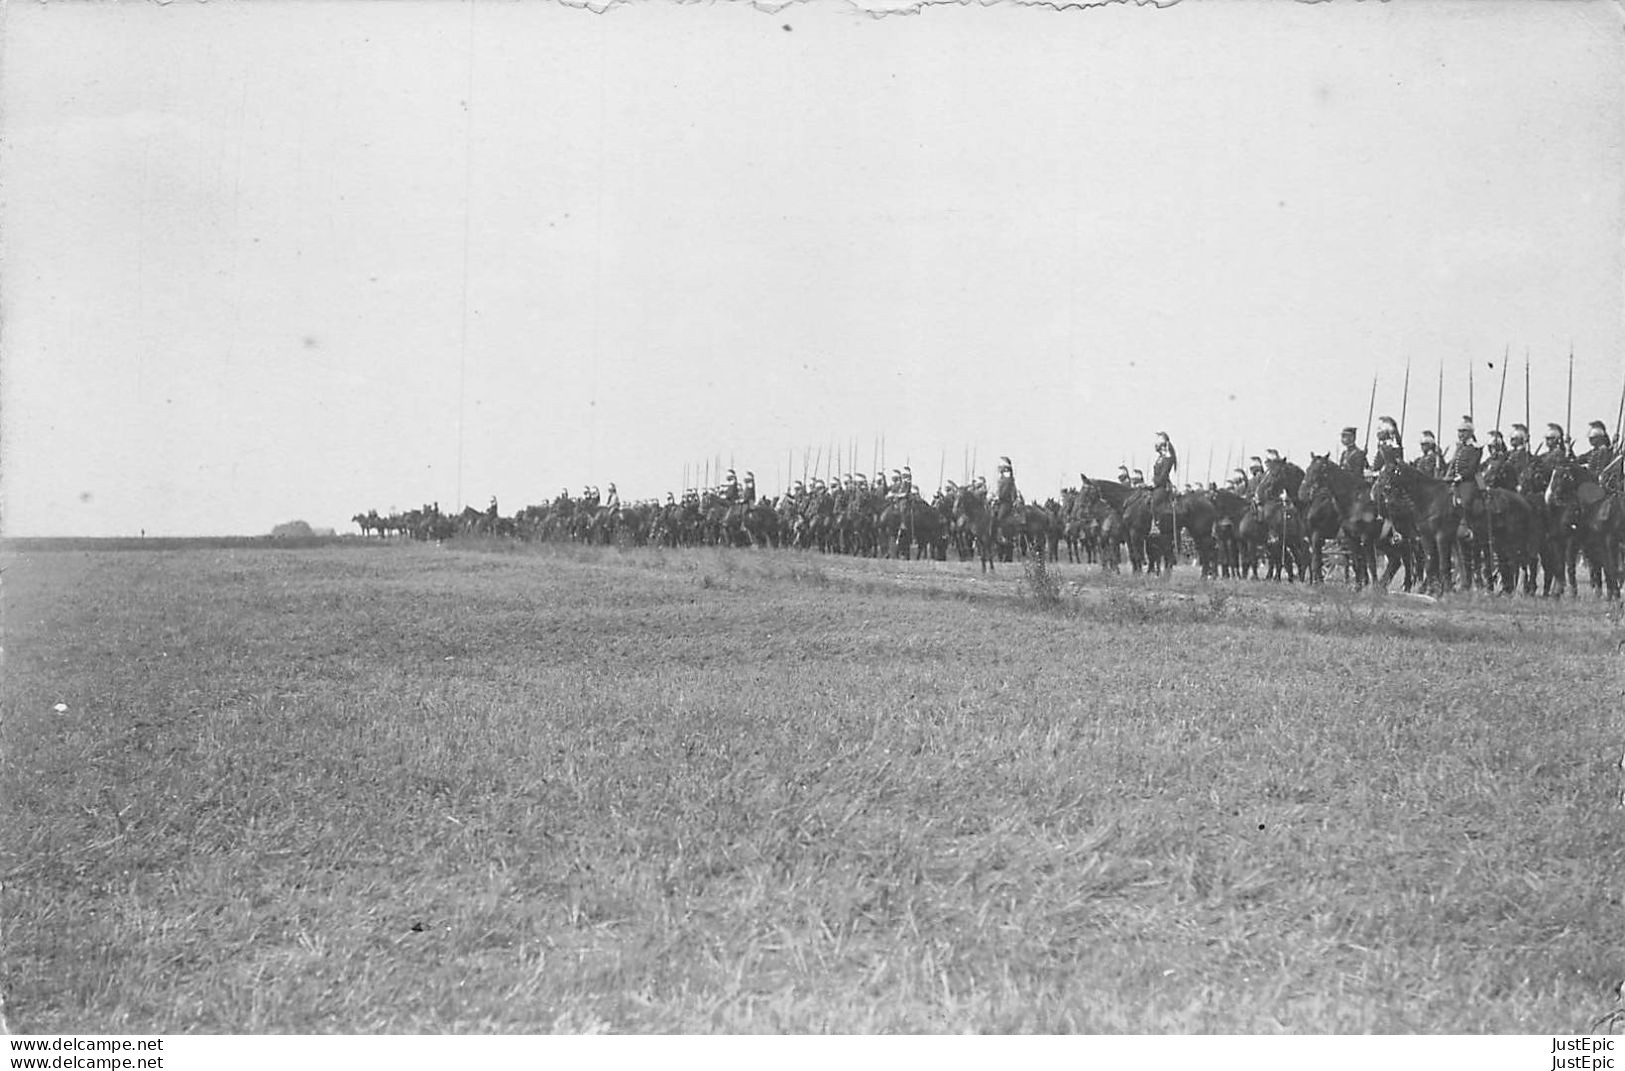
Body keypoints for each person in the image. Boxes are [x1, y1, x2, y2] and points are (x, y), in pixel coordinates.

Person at [1444, 416, 1482, 510]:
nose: (1460, 434)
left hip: (1468, 481)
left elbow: (1472, 468)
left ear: (1470, 433)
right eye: (1459, 432)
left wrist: (1461, 476)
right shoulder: (1460, 448)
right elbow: (1454, 464)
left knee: (1464, 502)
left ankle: (1464, 523)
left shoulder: (1475, 448)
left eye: (1463, 432)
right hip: (1455, 480)